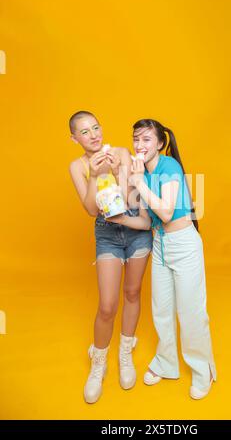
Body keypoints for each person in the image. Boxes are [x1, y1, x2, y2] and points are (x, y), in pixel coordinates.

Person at [108, 119, 217, 400]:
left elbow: (167, 213)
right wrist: (119, 217)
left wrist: (137, 182)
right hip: (160, 244)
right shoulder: (142, 173)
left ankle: (202, 370)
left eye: (146, 139)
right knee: (161, 309)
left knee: (191, 312)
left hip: (184, 244)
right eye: (136, 139)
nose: (139, 145)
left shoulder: (169, 166)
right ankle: (166, 363)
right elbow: (147, 221)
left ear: (159, 143)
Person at [68, 111, 153, 403]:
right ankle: (98, 362)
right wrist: (95, 174)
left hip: (135, 228)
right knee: (107, 305)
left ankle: (125, 352)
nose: (93, 135)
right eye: (84, 131)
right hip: (107, 232)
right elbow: (92, 209)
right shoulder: (77, 166)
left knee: (132, 292)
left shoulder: (120, 152)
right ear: (74, 138)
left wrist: (120, 171)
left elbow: (134, 199)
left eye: (95, 127)